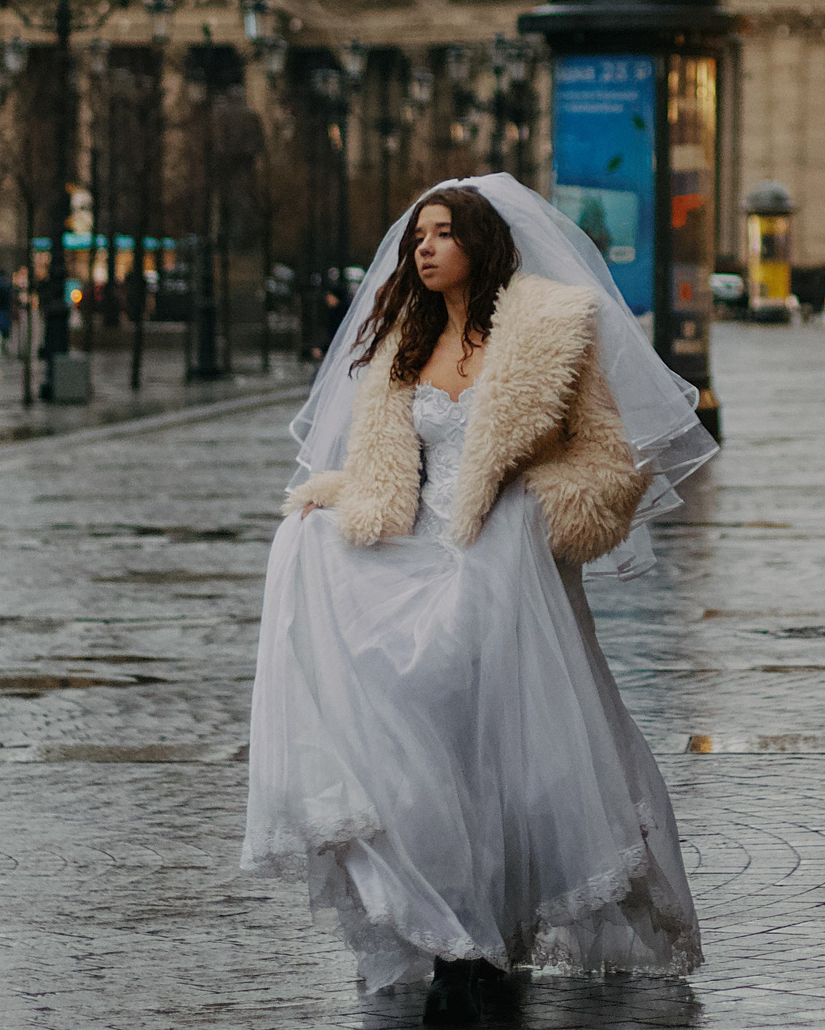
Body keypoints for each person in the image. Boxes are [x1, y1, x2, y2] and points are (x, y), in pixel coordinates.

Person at [243, 175, 714, 1023]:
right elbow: (391, 471)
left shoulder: (549, 333)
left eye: (442, 233)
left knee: (496, 765)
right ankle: (452, 936)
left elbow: (609, 465)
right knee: (420, 754)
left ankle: (487, 941)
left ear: (481, 243)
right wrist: (333, 493)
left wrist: (533, 505)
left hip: (506, 568)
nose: (422, 247)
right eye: (417, 234)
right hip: (416, 553)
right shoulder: (402, 343)